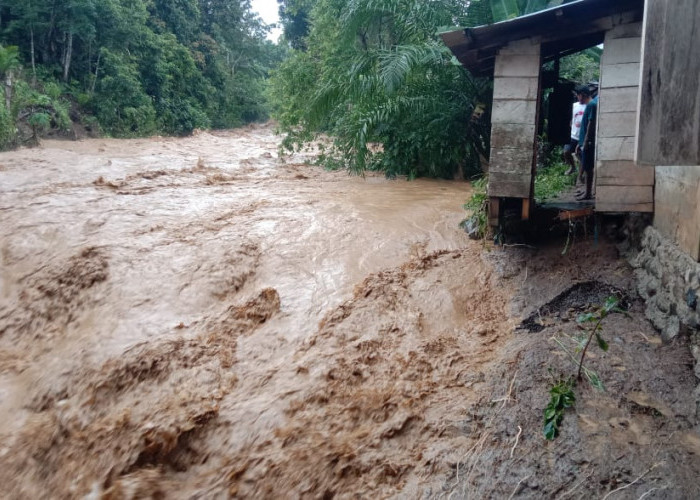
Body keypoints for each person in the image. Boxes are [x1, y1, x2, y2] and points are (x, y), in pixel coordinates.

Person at [576, 84, 598, 200]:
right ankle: (587, 190)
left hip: (588, 142)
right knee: (585, 166)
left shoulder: (592, 105)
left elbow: (591, 123)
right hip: (585, 142)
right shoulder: (591, 104)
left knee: (588, 169)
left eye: (578, 96)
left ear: (583, 95)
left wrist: (585, 141)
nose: (577, 99)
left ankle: (588, 193)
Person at [563, 87, 588, 177]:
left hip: (582, 136)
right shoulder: (574, 106)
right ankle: (572, 167)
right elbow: (570, 118)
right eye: (578, 95)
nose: (580, 97)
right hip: (572, 135)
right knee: (566, 152)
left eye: (581, 95)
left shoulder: (588, 106)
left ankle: (581, 176)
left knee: (581, 156)